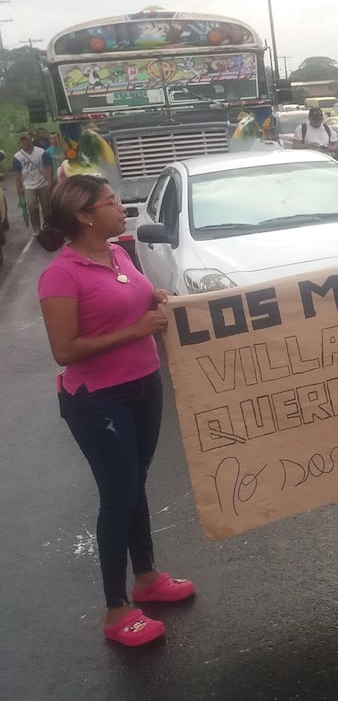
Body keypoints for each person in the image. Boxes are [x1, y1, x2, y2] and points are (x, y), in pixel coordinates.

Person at [36, 175, 194, 647]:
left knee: (135, 484)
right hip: (98, 399)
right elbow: (65, 350)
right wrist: (136, 329)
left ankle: (146, 577)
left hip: (144, 384)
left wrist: (155, 298)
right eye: (110, 202)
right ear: (84, 216)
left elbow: (133, 301)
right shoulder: (61, 275)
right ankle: (116, 609)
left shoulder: (118, 253)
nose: (121, 206)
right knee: (119, 495)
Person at [14, 131, 53, 232]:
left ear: (31, 140)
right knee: (31, 207)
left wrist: (50, 181)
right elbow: (17, 173)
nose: (24, 143)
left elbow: (48, 166)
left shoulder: (41, 152)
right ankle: (36, 228)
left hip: (43, 183)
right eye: (22, 141)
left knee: (46, 207)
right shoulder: (18, 156)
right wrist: (18, 187)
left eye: (26, 140)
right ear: (19, 143)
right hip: (29, 186)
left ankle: (48, 226)